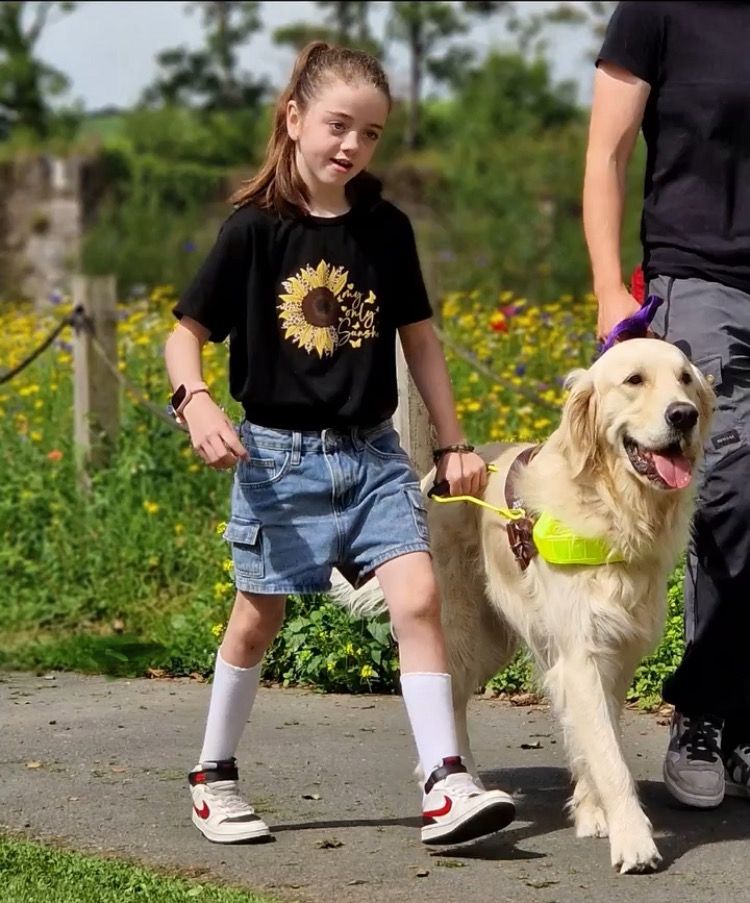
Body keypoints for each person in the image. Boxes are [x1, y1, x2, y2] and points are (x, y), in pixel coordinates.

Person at [164, 41, 516, 846]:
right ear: (293, 120)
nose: (352, 146)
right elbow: (184, 336)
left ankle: (444, 782)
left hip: (373, 456)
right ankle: (212, 775)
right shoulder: (253, 230)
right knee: (259, 616)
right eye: (337, 125)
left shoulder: (385, 230)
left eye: (372, 133)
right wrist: (197, 402)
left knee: (419, 597)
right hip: (278, 459)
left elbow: (421, 343)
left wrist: (453, 443)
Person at [583, 1, 750, 809]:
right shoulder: (658, 11)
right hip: (705, 280)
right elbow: (607, 153)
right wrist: (611, 287)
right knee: (732, 487)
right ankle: (707, 711)